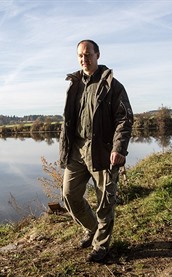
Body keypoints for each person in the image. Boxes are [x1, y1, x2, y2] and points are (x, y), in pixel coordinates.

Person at [59, 40, 133, 263]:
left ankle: (101, 246)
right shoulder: (74, 84)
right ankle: (91, 229)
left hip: (103, 150)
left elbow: (124, 119)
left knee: (104, 201)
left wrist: (119, 148)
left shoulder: (112, 85)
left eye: (88, 54)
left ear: (97, 54)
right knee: (69, 195)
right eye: (80, 55)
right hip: (77, 149)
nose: (84, 59)